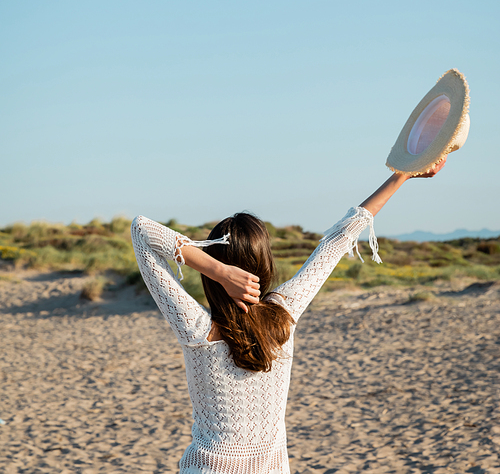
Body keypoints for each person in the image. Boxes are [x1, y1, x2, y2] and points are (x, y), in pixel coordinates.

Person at [131, 158, 446, 474]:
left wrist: (221, 272)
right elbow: (337, 240)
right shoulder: (284, 311)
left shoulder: (198, 330)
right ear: (265, 263)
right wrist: (403, 175)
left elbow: (141, 230)